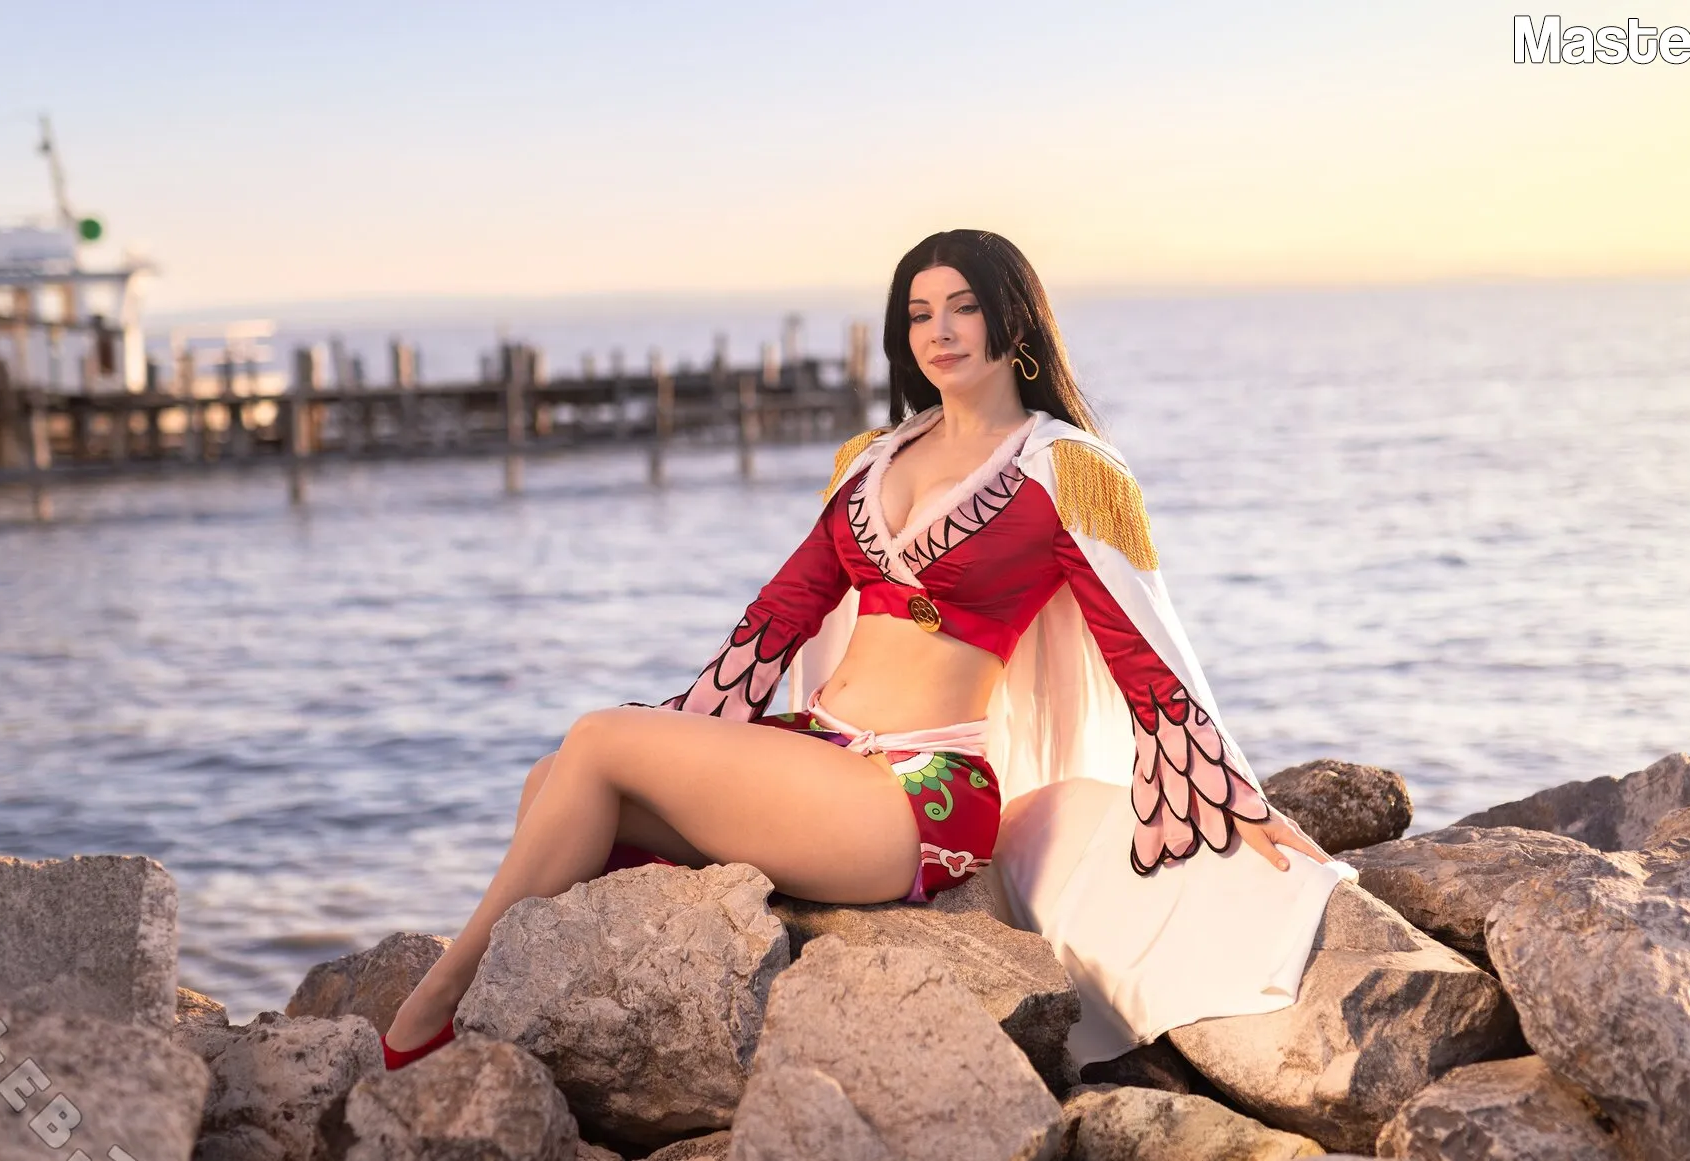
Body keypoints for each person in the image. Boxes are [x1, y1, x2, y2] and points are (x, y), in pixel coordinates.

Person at [381, 229, 1349, 1072]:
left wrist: (1230, 790)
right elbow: (781, 613)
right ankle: (565, 1007)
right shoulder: (873, 459)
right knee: (556, 776)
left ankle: (433, 1009)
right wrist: (695, 725)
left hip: (918, 790)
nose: (939, 330)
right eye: (919, 313)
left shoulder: (1067, 470)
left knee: (598, 740)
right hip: (819, 749)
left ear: (1014, 321)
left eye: (963, 307)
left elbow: (1141, 650)